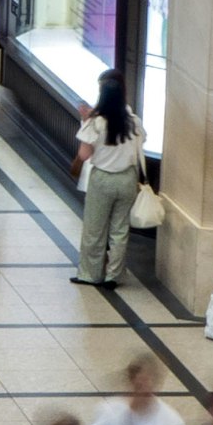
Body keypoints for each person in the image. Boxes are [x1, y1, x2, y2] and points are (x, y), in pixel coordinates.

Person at [71, 77, 141, 287]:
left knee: (95, 229)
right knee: (120, 230)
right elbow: (139, 145)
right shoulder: (134, 121)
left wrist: (85, 121)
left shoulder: (97, 123)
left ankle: (90, 274)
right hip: (128, 178)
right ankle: (114, 275)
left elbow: (84, 155)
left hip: (103, 178)